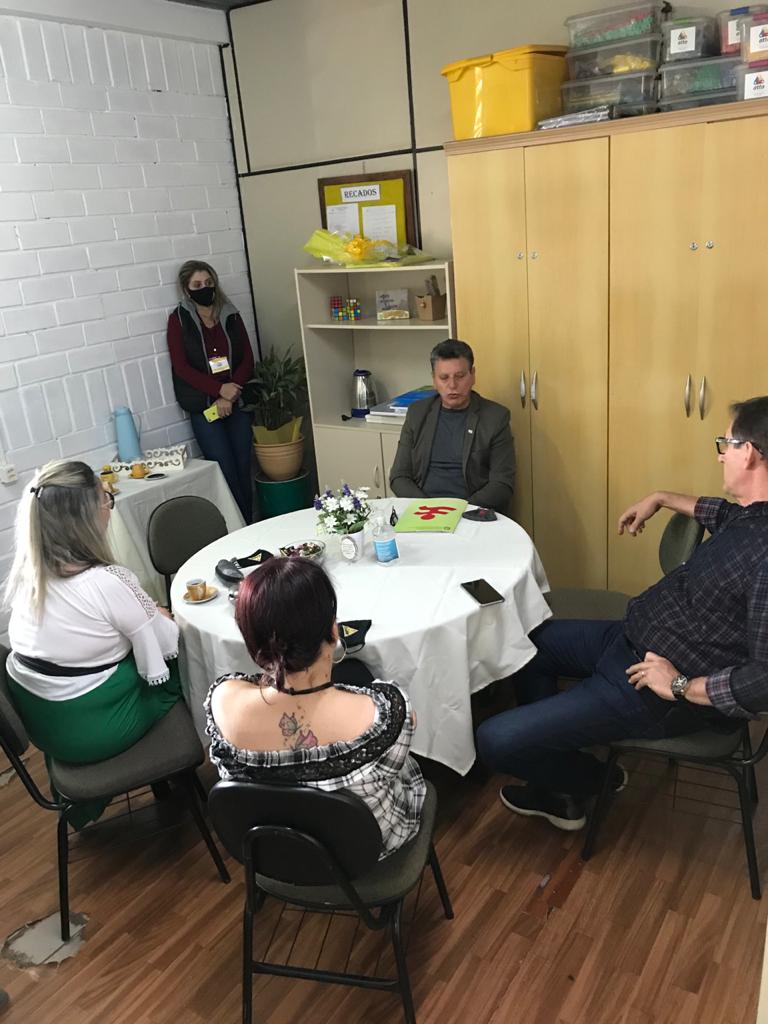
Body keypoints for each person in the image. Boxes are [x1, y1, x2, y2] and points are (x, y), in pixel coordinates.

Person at [476, 396, 768, 832]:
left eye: (725, 442)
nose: (721, 453)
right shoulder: (750, 515)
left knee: (493, 740)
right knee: (523, 646)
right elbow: (718, 510)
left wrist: (681, 686)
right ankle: (559, 781)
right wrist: (661, 497)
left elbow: (763, 678)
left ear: (749, 453)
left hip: (654, 688)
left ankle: (594, 778)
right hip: (629, 638)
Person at [205, 557, 425, 858]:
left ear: (252, 642)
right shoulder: (384, 713)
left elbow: (253, 684)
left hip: (272, 853)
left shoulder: (222, 699)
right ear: (334, 633)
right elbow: (405, 733)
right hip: (363, 852)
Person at [5, 460, 181, 826]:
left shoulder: (25, 577)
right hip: (94, 731)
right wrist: (159, 616)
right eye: (107, 500)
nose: (109, 507)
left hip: (48, 729)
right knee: (185, 658)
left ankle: (85, 806)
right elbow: (166, 642)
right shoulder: (106, 582)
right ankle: (196, 767)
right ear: (86, 518)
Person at [167, 259, 255, 522]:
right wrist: (219, 391)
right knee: (224, 470)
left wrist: (232, 391)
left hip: (236, 402)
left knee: (243, 467)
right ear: (186, 289)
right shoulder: (179, 320)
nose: (204, 288)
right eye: (197, 285)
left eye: (208, 283)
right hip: (205, 406)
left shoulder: (229, 313)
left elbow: (248, 358)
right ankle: (234, 528)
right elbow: (181, 367)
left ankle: (249, 523)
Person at [389, 338, 515, 513]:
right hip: (423, 510)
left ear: (473, 375)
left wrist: (460, 511)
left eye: (460, 376)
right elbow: (399, 476)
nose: (452, 385)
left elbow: (502, 484)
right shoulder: (417, 413)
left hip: (471, 511)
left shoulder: (495, 418)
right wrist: (430, 509)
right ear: (434, 380)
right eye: (444, 378)